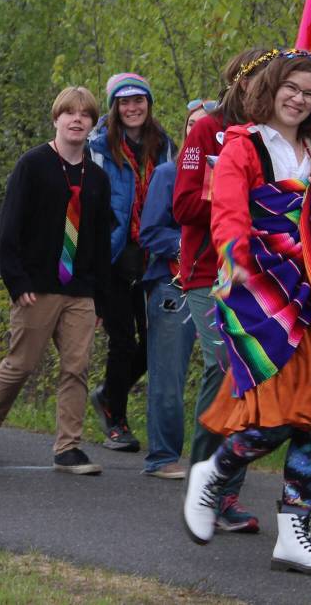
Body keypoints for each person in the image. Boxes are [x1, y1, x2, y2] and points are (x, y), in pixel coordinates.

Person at [182, 49, 311, 576]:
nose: (300, 99)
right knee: (277, 417)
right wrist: (234, 267)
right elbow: (228, 217)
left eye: (310, 92)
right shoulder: (243, 147)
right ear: (271, 87)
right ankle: (214, 471)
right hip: (270, 298)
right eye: (292, 88)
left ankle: (294, 533)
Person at [0, 86, 111, 475]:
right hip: (36, 286)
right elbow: (9, 227)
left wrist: (100, 297)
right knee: (22, 364)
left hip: (79, 290)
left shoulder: (97, 178)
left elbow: (99, 241)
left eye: (85, 114)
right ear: (56, 119)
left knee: (77, 366)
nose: (77, 120)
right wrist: (16, 281)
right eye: (70, 113)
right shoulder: (33, 165)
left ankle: (68, 447)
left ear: (92, 123)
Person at [173, 48, 274, 533]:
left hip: (260, 275)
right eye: (257, 81)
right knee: (224, 366)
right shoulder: (205, 128)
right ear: (237, 82)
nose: (264, 90)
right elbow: (183, 204)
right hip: (206, 270)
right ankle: (203, 481)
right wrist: (231, 193)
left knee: (250, 375)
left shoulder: (272, 138)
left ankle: (224, 490)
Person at [87, 73, 174, 452]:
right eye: (125, 102)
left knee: (155, 341)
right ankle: (115, 416)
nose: (133, 107)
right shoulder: (99, 147)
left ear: (148, 104)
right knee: (122, 342)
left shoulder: (165, 145)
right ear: (114, 108)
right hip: (111, 256)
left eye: (139, 100)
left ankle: (108, 392)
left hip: (153, 255)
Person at [137, 154, 194, 479]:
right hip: (175, 285)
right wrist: (190, 245)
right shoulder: (169, 173)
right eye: (196, 126)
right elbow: (151, 232)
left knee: (229, 379)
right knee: (168, 375)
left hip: (226, 285)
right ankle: (163, 457)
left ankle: (215, 459)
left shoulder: (237, 172)